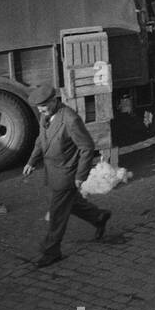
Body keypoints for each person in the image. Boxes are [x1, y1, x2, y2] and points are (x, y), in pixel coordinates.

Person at [21, 81, 110, 267]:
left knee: (57, 213)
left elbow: (87, 147)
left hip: (66, 174)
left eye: (44, 106)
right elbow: (41, 140)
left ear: (54, 101)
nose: (42, 111)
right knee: (71, 203)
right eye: (39, 108)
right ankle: (99, 216)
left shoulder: (70, 119)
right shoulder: (45, 116)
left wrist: (80, 176)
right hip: (53, 171)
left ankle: (51, 251)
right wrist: (31, 161)